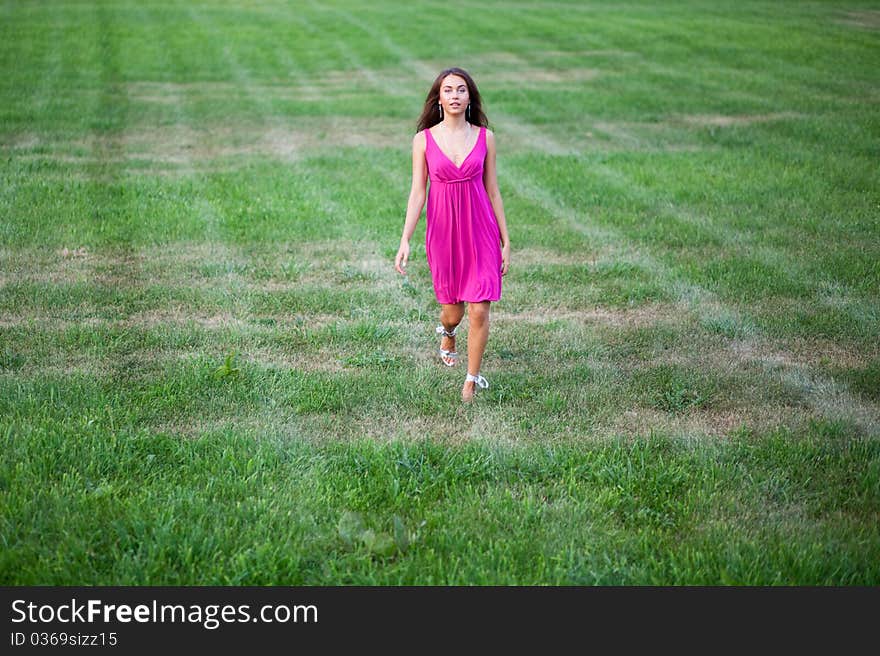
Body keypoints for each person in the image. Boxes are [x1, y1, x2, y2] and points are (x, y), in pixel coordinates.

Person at [394, 67, 511, 402]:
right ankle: (447, 332)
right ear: (439, 98)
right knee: (454, 311)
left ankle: (471, 382)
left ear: (469, 97)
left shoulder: (485, 136)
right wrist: (405, 239)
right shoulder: (424, 140)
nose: (456, 95)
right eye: (449, 90)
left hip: (481, 230)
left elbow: (494, 190)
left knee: (479, 309)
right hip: (444, 233)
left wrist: (506, 240)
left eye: (462, 90)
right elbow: (418, 192)